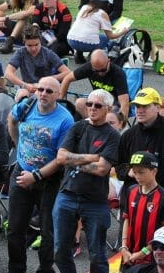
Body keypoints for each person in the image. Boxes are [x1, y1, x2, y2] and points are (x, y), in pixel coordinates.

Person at [6, 76, 74, 273]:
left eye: (49, 91)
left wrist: (35, 176)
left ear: (58, 95)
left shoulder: (65, 120)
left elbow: (61, 159)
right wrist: (18, 146)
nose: (43, 94)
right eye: (40, 89)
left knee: (48, 232)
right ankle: (16, 268)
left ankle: (45, 269)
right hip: (21, 172)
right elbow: (12, 120)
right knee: (15, 229)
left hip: (49, 180)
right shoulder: (26, 106)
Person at [52, 88, 120, 273]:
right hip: (67, 195)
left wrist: (73, 162)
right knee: (59, 251)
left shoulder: (113, 136)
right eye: (89, 103)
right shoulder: (78, 126)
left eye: (97, 105)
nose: (92, 108)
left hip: (95, 201)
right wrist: (91, 157)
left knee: (97, 255)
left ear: (107, 109)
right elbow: (60, 158)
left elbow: (102, 169)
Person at [117, 88, 164, 217]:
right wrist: (128, 171)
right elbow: (118, 167)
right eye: (137, 106)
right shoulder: (128, 136)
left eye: (145, 106)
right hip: (131, 204)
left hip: (161, 208)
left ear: (158, 107)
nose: (139, 110)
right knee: (126, 238)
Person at [120, 151, 164, 268]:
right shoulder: (131, 191)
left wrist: (143, 252)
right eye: (134, 172)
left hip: (151, 259)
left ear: (154, 171)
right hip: (129, 255)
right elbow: (126, 220)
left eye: (141, 172)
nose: (137, 176)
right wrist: (124, 247)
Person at [4, 25, 71, 100]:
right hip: (27, 87)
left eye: (36, 44)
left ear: (40, 41)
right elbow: (8, 73)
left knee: (37, 96)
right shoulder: (21, 52)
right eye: (29, 45)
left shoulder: (48, 53)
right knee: (22, 95)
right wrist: (25, 85)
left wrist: (47, 80)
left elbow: (67, 72)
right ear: (24, 43)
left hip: (45, 88)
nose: (33, 48)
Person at [59, 49, 131, 117]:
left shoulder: (118, 73)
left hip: (113, 104)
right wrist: (61, 101)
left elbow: (124, 102)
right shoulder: (88, 67)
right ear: (91, 65)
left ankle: (100, 125)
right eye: (96, 70)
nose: (100, 73)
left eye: (103, 70)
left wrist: (121, 124)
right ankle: (92, 125)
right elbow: (67, 79)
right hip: (97, 101)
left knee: (110, 111)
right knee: (79, 103)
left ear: (108, 61)